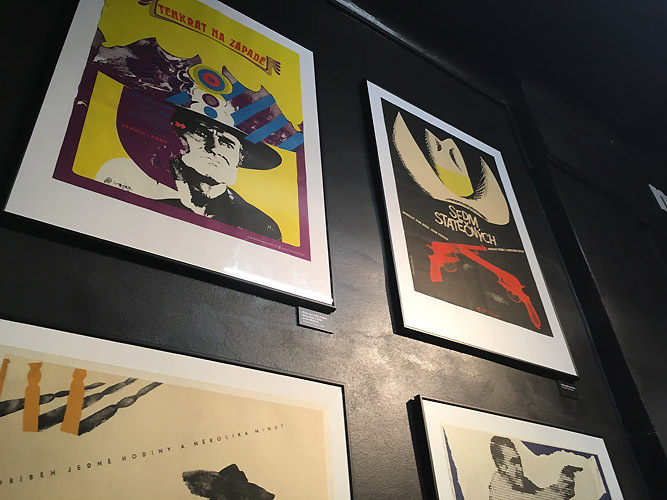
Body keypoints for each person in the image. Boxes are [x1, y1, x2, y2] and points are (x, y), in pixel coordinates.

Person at [95, 105, 282, 241]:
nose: (213, 147)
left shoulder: (263, 226)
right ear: (181, 140)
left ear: (240, 158)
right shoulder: (135, 186)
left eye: (227, 143)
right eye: (201, 134)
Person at [488, 436, 582, 500]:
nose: (519, 468)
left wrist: (564, 482)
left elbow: (541, 493)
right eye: (513, 462)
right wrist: (565, 481)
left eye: (519, 462)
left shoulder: (520, 481)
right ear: (501, 465)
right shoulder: (500, 490)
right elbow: (540, 498)